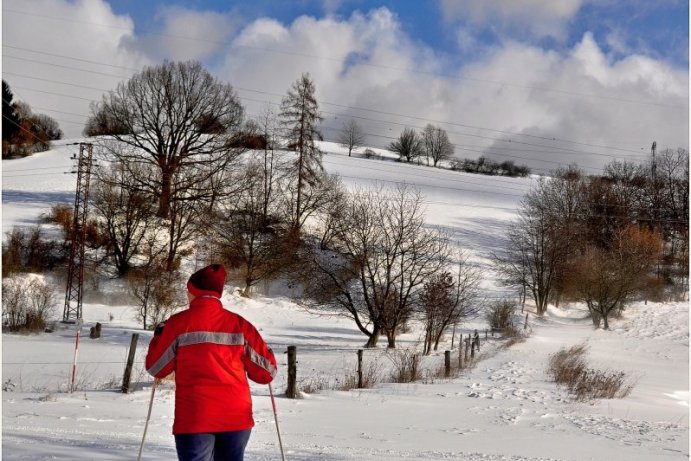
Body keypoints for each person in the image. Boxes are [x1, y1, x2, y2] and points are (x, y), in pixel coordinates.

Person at [146, 263, 277, 461]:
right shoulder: (240, 325)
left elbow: (157, 368)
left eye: (188, 291)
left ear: (193, 291)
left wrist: (158, 337)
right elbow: (266, 373)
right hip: (235, 418)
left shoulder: (177, 324)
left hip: (195, 418)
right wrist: (267, 352)